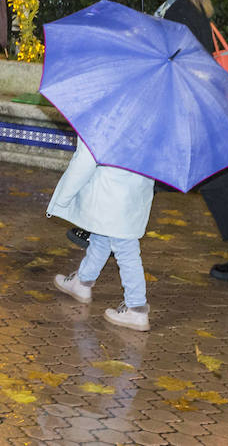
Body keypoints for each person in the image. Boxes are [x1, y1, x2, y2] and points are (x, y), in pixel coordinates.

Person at [67, 0, 228, 285]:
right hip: (199, 118)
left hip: (179, 118)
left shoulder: (178, 15)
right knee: (214, 184)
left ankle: (95, 230)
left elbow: (162, 62)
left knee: (131, 167)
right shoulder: (190, 10)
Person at [49, 137, 155, 331]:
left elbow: (85, 160)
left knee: (126, 250)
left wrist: (62, 198)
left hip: (109, 195)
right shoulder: (152, 121)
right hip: (136, 195)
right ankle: (82, 281)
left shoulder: (103, 120)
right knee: (101, 238)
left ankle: (136, 308)